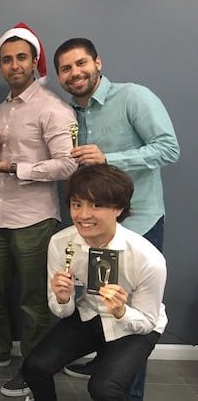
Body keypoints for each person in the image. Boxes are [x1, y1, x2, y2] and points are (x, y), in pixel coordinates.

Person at [53, 38, 179, 399]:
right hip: (96, 229)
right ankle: (105, 367)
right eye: (65, 69)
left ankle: (129, 393)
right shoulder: (69, 114)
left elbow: (169, 148)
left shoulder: (133, 97)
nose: (75, 73)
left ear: (98, 62)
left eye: (81, 63)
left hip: (139, 225)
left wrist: (110, 158)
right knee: (105, 302)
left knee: (135, 321)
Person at [0, 23, 77, 398]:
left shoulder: (53, 108)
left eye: (21, 58)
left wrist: (14, 168)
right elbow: (4, 156)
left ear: (34, 61)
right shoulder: (1, 110)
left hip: (36, 218)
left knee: (32, 299)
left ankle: (33, 369)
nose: (14, 66)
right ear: (1, 66)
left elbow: (68, 164)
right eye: (7, 60)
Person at [22, 164, 167, 401]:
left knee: (104, 389)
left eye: (96, 205)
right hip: (91, 313)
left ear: (118, 208)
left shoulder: (148, 258)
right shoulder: (61, 243)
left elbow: (148, 322)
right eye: (77, 204)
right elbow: (61, 311)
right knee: (34, 367)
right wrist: (63, 298)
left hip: (135, 324)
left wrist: (121, 311)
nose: (83, 215)